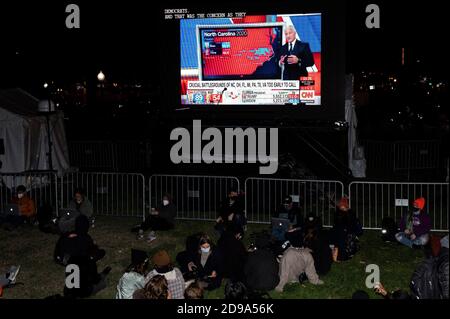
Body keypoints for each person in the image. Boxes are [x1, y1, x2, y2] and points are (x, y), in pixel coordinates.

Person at [330, 197, 362, 261]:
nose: (342, 209)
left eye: (343, 207)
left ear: (347, 207)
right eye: (341, 207)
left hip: (348, 238)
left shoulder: (351, 216)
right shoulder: (338, 216)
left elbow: (358, 230)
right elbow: (335, 228)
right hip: (341, 238)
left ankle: (342, 253)